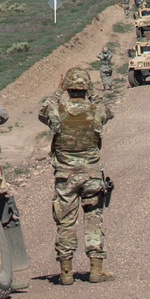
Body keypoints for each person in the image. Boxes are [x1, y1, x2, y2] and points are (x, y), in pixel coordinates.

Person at [38, 66, 112, 286]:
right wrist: (93, 91)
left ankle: (66, 273)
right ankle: (96, 270)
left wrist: (57, 91)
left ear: (67, 87)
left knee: (65, 222)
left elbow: (43, 111)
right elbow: (107, 110)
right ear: (86, 87)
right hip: (91, 175)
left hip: (66, 177)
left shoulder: (56, 110)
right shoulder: (95, 109)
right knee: (93, 220)